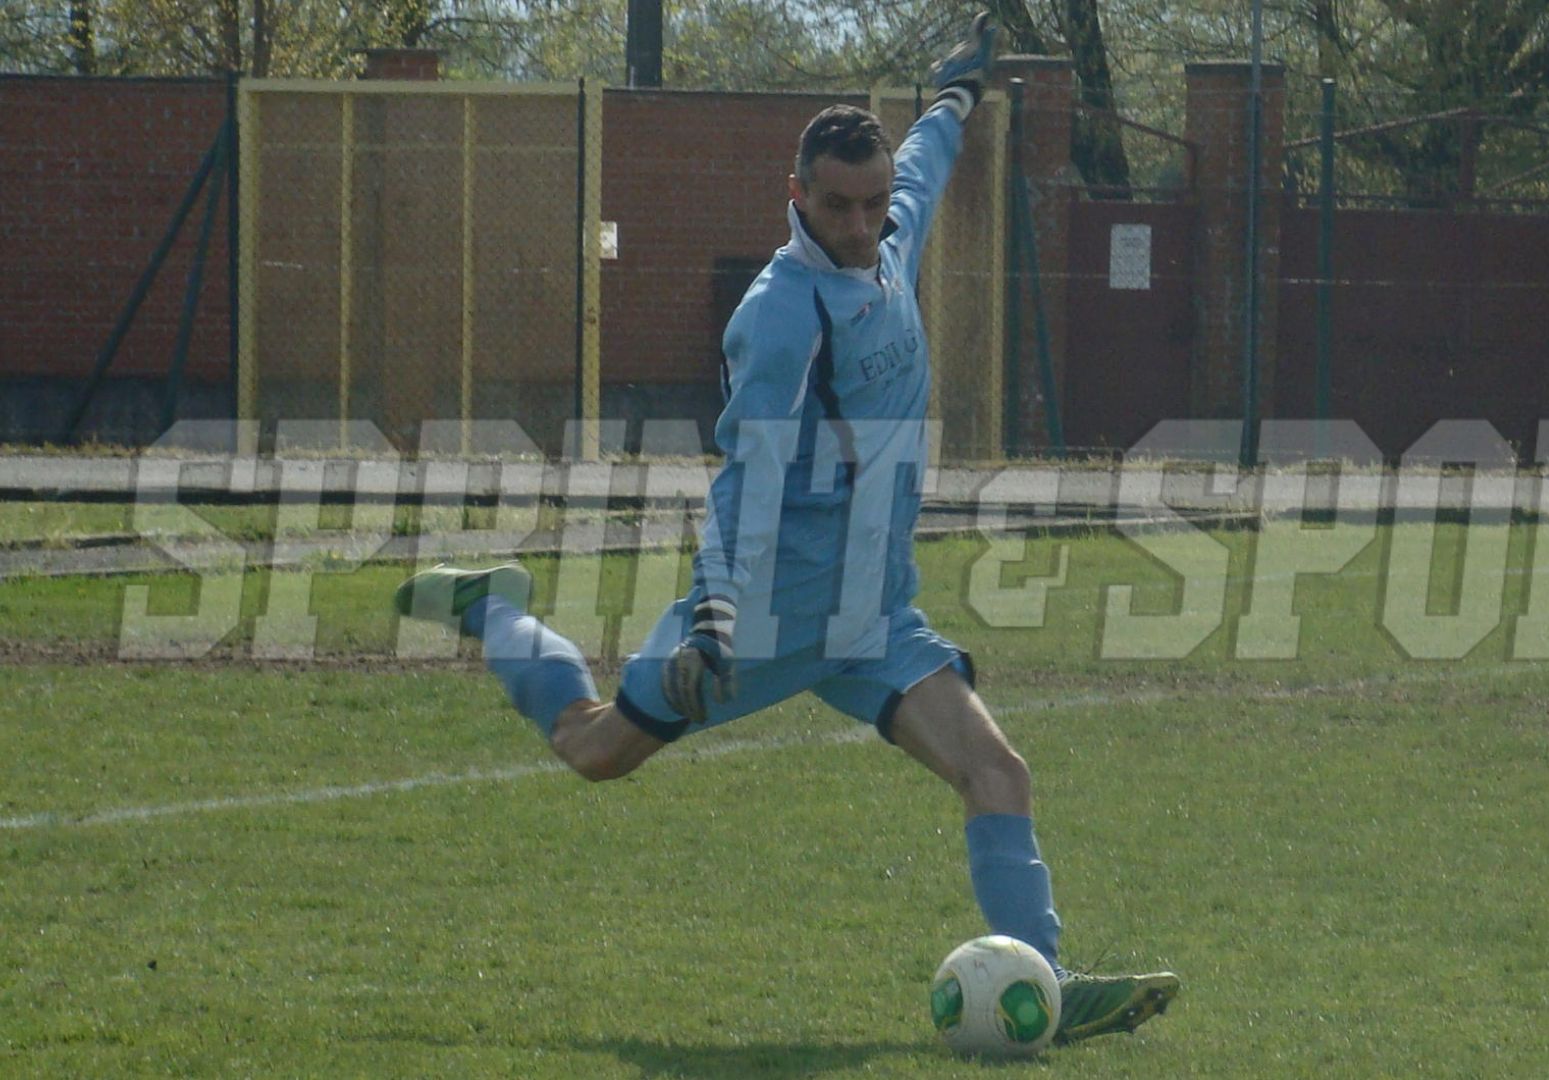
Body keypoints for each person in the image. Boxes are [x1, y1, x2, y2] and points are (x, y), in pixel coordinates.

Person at [394, 14, 1179, 1044]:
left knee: (1001, 774)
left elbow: (930, 164)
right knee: (593, 752)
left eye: (869, 203)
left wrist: (954, 97)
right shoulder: (780, 317)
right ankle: (498, 611)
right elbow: (746, 479)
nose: (859, 224)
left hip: (870, 611)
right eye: (838, 206)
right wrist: (714, 616)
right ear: (797, 194)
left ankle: (1050, 987)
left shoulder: (891, 237)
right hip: (764, 610)